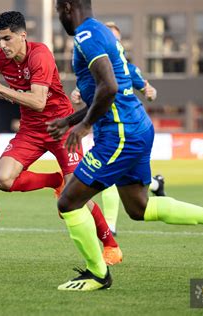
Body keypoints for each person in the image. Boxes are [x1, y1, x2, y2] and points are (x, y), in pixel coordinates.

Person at [49, 0, 203, 291]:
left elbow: (108, 87)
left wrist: (83, 127)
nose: (59, 17)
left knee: (68, 202)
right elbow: (110, 92)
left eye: (58, 11)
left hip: (120, 134)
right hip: (136, 127)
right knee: (139, 207)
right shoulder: (100, 32)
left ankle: (98, 274)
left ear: (68, 7)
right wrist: (71, 119)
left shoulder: (86, 35)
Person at [0, 11, 122, 265]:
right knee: (3, 179)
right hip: (31, 130)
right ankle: (55, 181)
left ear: (23, 35)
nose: (2, 45)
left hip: (60, 128)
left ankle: (111, 245)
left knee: (78, 200)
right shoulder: (2, 56)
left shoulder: (39, 55)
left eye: (7, 39)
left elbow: (39, 101)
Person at [70, 21, 166, 235]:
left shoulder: (128, 69)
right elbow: (85, 95)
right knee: (125, 187)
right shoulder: (93, 67)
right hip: (104, 130)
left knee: (107, 180)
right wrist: (76, 95)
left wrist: (149, 91)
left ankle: (110, 227)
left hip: (123, 131)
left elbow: (149, 91)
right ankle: (155, 185)